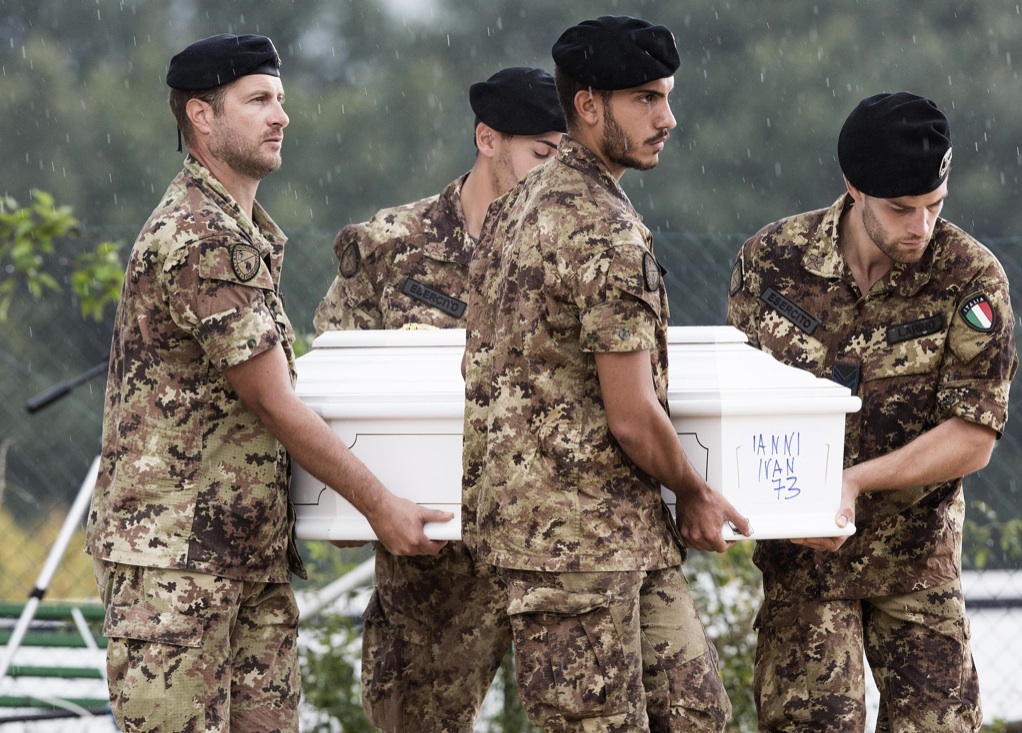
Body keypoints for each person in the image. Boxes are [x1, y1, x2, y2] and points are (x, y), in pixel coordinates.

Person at [84, 34, 449, 731]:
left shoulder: (242, 232)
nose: (280, 116)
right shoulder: (201, 236)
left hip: (247, 559)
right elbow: (273, 400)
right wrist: (379, 504)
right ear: (201, 115)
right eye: (257, 101)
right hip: (178, 565)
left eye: (280, 99)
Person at [462, 16, 753, 731]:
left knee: (697, 716)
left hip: (614, 539)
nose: (668, 118)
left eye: (667, 97)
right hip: (574, 553)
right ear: (588, 104)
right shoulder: (601, 228)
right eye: (646, 99)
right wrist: (694, 490)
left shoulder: (513, 207)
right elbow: (630, 412)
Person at [725, 92, 1018, 731]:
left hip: (917, 562)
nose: (921, 227)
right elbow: (739, 405)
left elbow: (973, 436)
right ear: (854, 188)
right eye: (902, 209)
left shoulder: (969, 277)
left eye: (934, 208)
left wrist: (854, 481)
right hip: (804, 563)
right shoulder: (773, 262)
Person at [312, 66, 566, 731]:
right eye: (542, 153)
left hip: (557, 539)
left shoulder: (576, 252)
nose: (555, 173)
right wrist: (364, 505)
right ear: (487, 138)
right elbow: (333, 379)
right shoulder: (389, 247)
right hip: (432, 552)